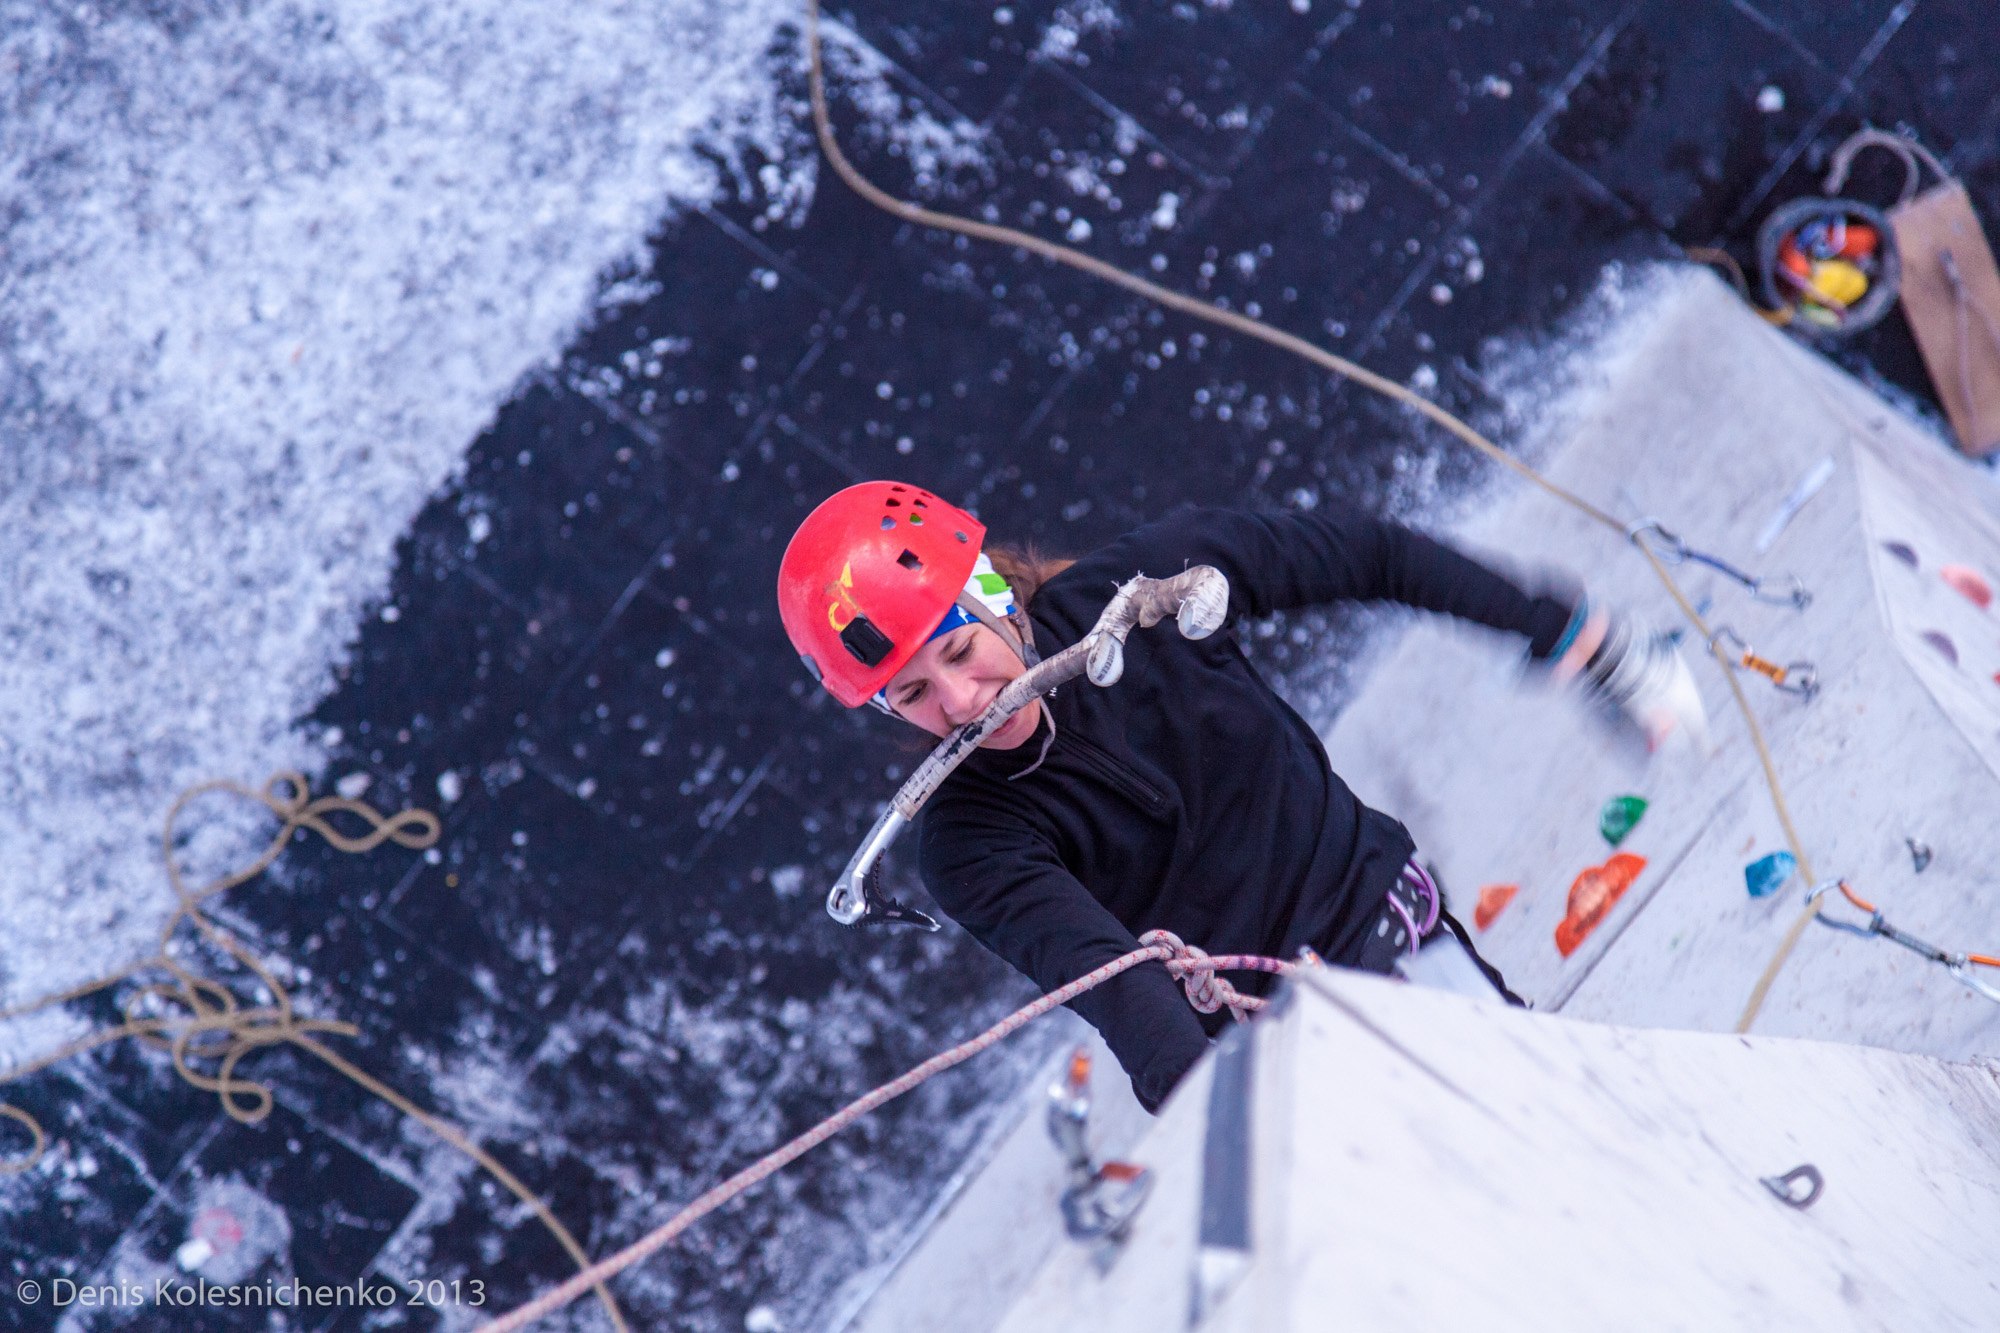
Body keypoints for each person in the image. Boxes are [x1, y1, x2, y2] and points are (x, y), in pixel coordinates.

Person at [776, 480, 1698, 1112]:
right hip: (1266, 1054)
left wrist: (1570, 633)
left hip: (1381, 925)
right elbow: (1119, 986)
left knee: (1553, 1131)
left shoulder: (1153, 592)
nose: (962, 702)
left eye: (958, 651)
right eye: (911, 694)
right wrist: (1220, 1124)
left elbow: (1368, 556)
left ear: (990, 596)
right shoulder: (968, 843)